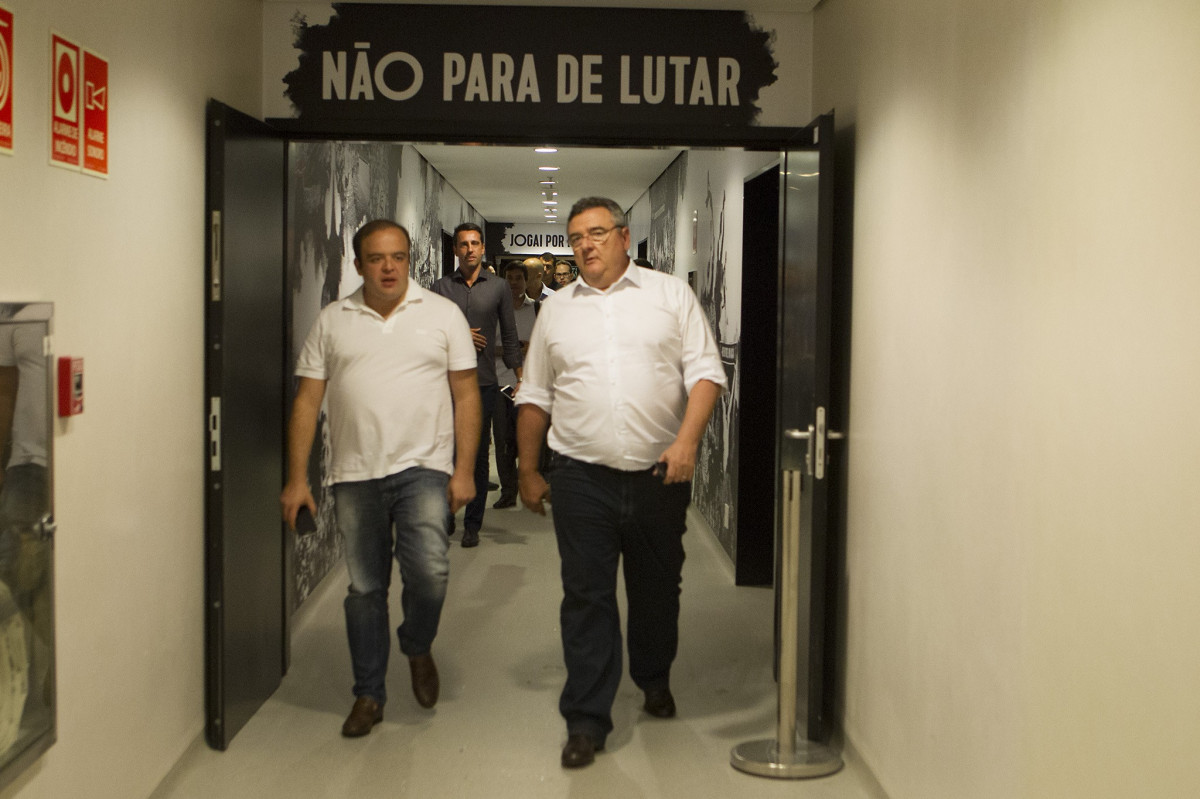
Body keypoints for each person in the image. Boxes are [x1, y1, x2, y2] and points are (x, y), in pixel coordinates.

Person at [515, 197, 726, 769]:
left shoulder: (669, 296)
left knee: (658, 589)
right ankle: (586, 719)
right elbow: (535, 394)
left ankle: (653, 676)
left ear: (623, 237)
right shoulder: (556, 309)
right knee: (587, 596)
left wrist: (686, 442)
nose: (586, 245)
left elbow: (706, 373)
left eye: (598, 233)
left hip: (661, 474)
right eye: (577, 236)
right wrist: (528, 469)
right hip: (581, 476)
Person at [280, 220, 481, 738]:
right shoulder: (333, 321)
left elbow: (466, 394)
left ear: (410, 258)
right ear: (358, 264)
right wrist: (296, 478)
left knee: (431, 573)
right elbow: (307, 399)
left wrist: (463, 470)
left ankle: (416, 644)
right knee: (365, 589)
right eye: (377, 258)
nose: (389, 267)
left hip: (424, 468)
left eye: (398, 256)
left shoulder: (443, 315)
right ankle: (369, 693)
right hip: (355, 472)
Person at [432, 223, 524, 547]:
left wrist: (519, 376)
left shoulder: (498, 287)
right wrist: (458, 333)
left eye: (475, 243)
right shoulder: (440, 288)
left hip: (483, 382)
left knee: (479, 455)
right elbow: (427, 334)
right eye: (463, 244)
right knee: (448, 451)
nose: (469, 249)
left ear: (483, 248)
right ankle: (446, 518)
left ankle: (473, 524)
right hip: (446, 383)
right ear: (455, 250)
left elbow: (510, 334)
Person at [491, 262, 538, 509]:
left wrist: (532, 348)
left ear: (526, 280)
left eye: (518, 278)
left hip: (531, 385)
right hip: (500, 383)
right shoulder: (494, 311)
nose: (514, 283)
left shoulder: (538, 309)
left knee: (530, 440)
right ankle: (508, 491)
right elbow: (485, 346)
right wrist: (509, 350)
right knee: (503, 441)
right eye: (509, 278)